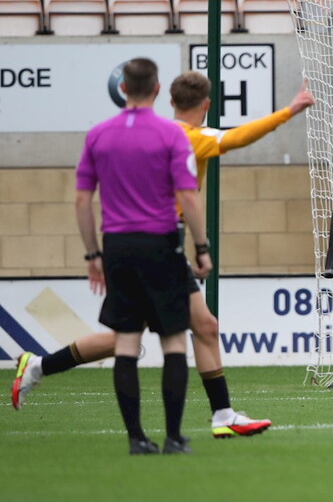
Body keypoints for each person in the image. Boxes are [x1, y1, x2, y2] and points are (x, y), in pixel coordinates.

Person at [12, 73, 315, 439]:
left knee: (186, 329)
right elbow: (237, 137)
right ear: (206, 104)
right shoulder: (187, 137)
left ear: (170, 101)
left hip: (144, 245)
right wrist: (290, 110)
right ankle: (201, 420)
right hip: (160, 247)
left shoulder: (157, 134)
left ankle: (221, 414)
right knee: (155, 336)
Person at [74, 58, 209, 454]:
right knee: (173, 341)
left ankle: (136, 439)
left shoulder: (98, 135)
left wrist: (92, 254)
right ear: (157, 90)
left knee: (126, 343)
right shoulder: (171, 134)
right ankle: (173, 437)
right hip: (160, 244)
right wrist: (202, 248)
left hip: (117, 246)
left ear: (122, 89)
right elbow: (188, 196)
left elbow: (82, 200)